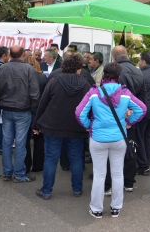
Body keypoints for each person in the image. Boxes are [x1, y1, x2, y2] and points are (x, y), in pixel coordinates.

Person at [76, 62, 146, 218]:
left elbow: (79, 113)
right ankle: (116, 208)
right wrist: (128, 122)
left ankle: (96, 209)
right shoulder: (125, 93)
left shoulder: (94, 92)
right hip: (118, 138)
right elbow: (142, 109)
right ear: (119, 76)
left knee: (99, 175)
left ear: (104, 75)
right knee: (117, 174)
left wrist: (89, 126)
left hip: (98, 138)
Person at [34, 54, 91, 200]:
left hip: (53, 126)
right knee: (76, 159)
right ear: (79, 68)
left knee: (51, 159)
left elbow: (43, 103)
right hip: (76, 127)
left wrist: (37, 124)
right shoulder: (85, 84)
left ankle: (46, 190)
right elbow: (89, 107)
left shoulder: (54, 81)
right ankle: (77, 189)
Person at [0, 45, 40, 182]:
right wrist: (33, 109)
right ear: (22, 55)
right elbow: (34, 93)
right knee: (20, 143)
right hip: (22, 110)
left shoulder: (2, 68)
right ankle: (19, 174)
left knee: (7, 142)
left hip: (7, 109)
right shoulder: (28, 69)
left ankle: (7, 172)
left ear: (9, 55)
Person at [108, 45, 147, 192]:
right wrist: (132, 113)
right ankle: (129, 182)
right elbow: (143, 97)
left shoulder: (116, 72)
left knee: (114, 151)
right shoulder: (139, 71)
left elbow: (115, 97)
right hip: (133, 117)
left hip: (118, 118)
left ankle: (113, 182)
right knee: (131, 148)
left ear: (114, 58)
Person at [23, 55, 48, 173]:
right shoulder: (42, 77)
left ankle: (26, 165)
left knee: (25, 139)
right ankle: (38, 165)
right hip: (39, 111)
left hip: (25, 109)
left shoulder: (22, 76)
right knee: (39, 140)